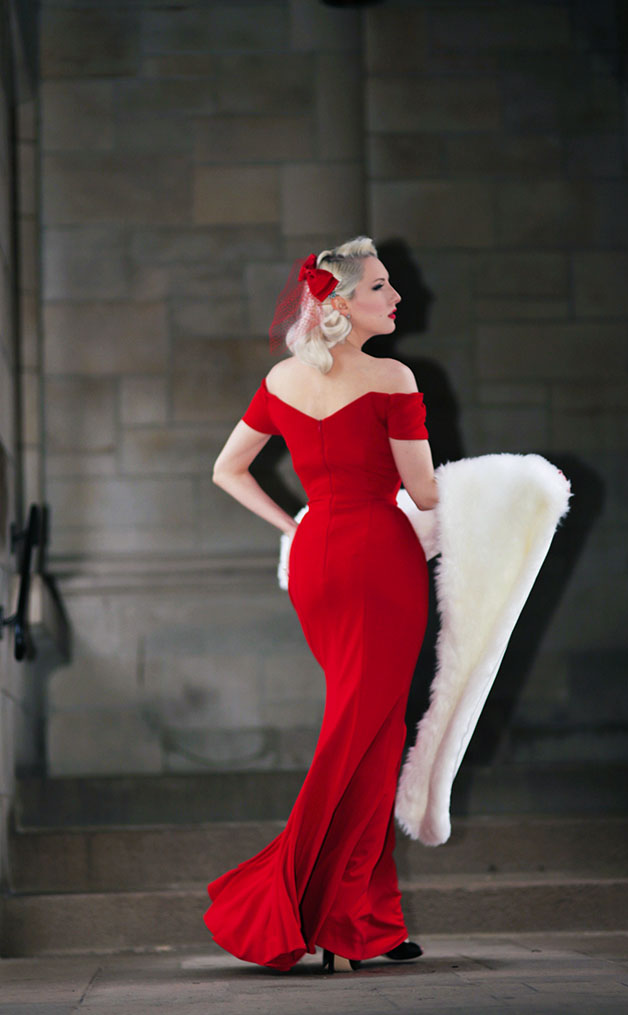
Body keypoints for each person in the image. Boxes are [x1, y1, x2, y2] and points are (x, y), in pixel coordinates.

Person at [203, 236, 438, 975]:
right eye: (379, 286)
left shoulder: (283, 378)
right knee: (361, 735)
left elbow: (227, 470)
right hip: (378, 557)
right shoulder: (393, 377)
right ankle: (292, 902)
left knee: (373, 734)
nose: (395, 296)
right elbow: (424, 493)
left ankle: (365, 924)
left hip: (317, 558)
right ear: (341, 302)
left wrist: (293, 525)